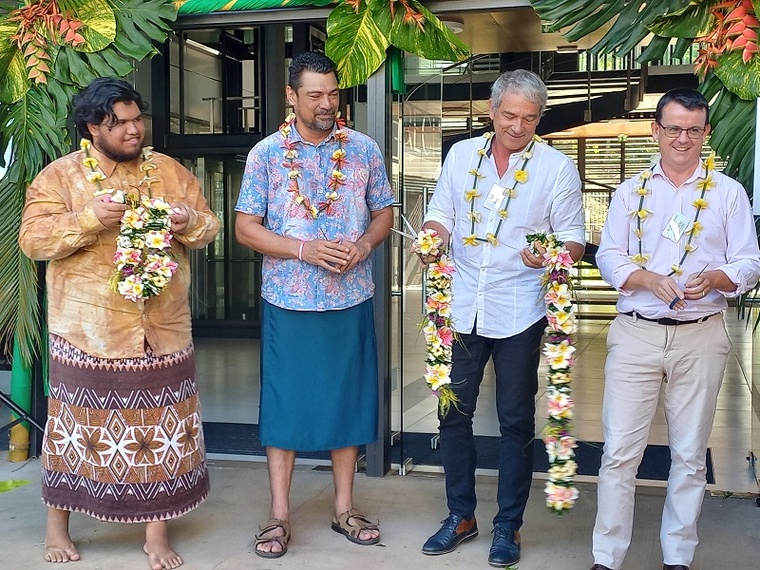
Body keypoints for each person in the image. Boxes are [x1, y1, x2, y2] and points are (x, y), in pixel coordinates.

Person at [18, 77, 220, 569]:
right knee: (74, 434)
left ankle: (155, 535)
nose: (134, 131)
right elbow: (34, 241)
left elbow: (209, 226)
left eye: (137, 120)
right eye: (120, 123)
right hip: (89, 333)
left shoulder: (170, 171)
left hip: (164, 328)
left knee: (162, 432)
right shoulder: (60, 177)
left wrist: (188, 221)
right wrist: (90, 218)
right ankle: (57, 529)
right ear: (93, 128)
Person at [419, 69, 586, 567]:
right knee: (453, 413)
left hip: (520, 310)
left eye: (529, 119)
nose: (517, 126)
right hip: (463, 304)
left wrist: (551, 253)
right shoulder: (461, 155)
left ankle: (508, 524)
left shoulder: (556, 168)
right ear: (491, 111)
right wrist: (432, 238)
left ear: (539, 119)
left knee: (515, 421)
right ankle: (460, 516)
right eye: (509, 115)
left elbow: (574, 239)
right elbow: (441, 214)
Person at [589, 88, 760, 570]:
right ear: (656, 131)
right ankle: (607, 556)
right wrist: (645, 279)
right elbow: (609, 256)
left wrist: (718, 279)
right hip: (637, 331)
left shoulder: (728, 193)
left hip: (700, 333)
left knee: (689, 454)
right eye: (674, 128)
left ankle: (678, 558)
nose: (683, 138)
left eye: (693, 129)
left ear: (705, 133)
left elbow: (749, 262)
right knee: (620, 451)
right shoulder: (629, 191)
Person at [234, 51, 393, 559]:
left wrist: (364, 246)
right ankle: (279, 516)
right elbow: (245, 227)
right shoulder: (265, 155)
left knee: (347, 400)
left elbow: (384, 211)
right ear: (291, 96)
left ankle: (344, 508)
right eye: (315, 95)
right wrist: (303, 249)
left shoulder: (364, 149)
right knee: (285, 405)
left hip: (350, 297)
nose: (327, 104)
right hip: (289, 300)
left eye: (333, 93)